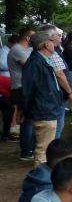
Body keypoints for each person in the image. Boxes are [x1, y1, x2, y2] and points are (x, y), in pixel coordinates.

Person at [22, 31, 64, 165]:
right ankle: (40, 183)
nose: (54, 44)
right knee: (43, 150)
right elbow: (29, 90)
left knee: (45, 149)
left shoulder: (42, 60)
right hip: (44, 111)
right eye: (52, 41)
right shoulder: (35, 62)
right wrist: (27, 111)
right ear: (46, 44)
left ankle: (43, 179)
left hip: (48, 109)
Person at [7, 27, 35, 160]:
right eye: (34, 37)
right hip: (20, 87)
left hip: (27, 87)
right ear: (27, 38)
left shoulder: (28, 49)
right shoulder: (17, 49)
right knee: (27, 119)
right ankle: (26, 151)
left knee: (30, 118)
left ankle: (30, 148)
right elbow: (30, 66)